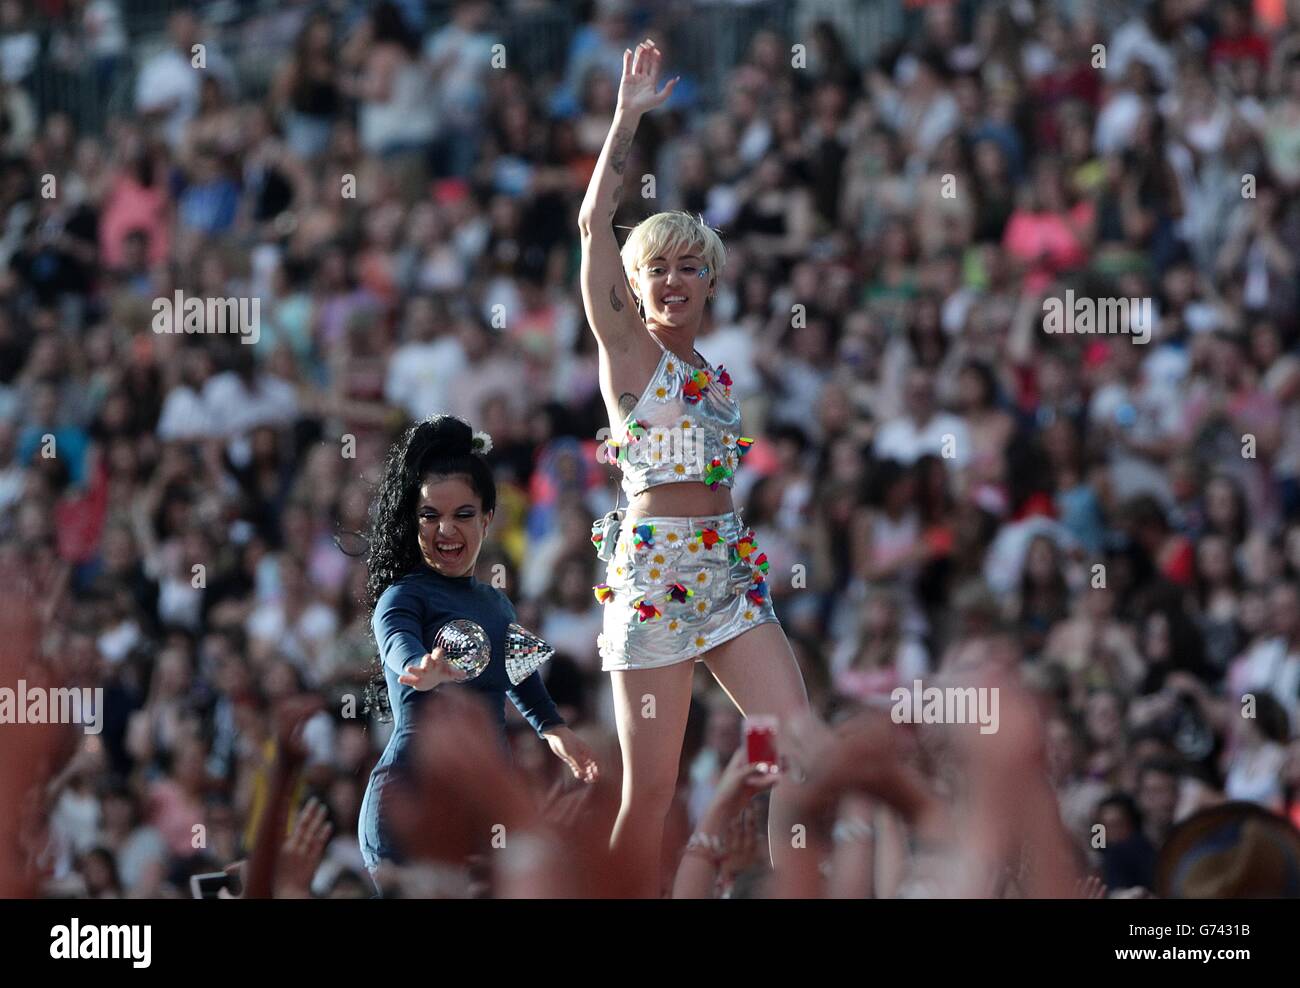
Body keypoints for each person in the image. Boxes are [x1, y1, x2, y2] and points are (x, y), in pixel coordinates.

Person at [577, 39, 809, 897]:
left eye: (687, 266)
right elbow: (591, 223)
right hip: (654, 571)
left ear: (709, 280)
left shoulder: (717, 373)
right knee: (652, 793)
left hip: (728, 565)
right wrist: (626, 119)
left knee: (798, 746)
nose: (672, 280)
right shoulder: (628, 354)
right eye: (657, 269)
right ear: (636, 289)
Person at [356, 415, 597, 885]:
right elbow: (396, 641)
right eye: (431, 516)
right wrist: (418, 665)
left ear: (487, 518)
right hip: (411, 803)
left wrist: (554, 730)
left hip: (484, 809)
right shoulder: (402, 596)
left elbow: (520, 675)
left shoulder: (496, 602)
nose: (446, 529)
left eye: (463, 514)